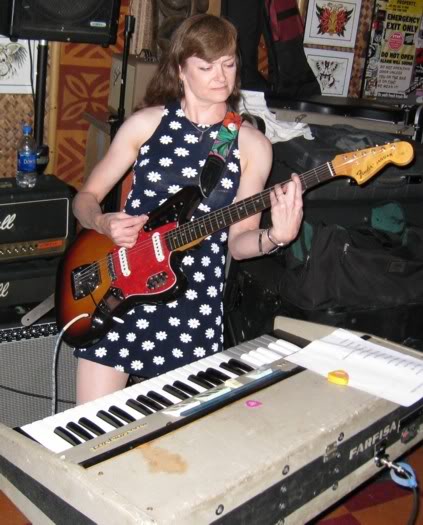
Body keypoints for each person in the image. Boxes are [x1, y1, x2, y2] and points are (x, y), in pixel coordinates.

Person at [72, 13, 304, 405]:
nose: (221, 77)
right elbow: (84, 199)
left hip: (191, 302)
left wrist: (274, 237)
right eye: (206, 67)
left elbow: (238, 243)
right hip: (121, 287)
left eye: (228, 64)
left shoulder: (250, 145)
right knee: (91, 429)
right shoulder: (145, 125)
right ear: (181, 70)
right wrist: (102, 221)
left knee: (176, 433)